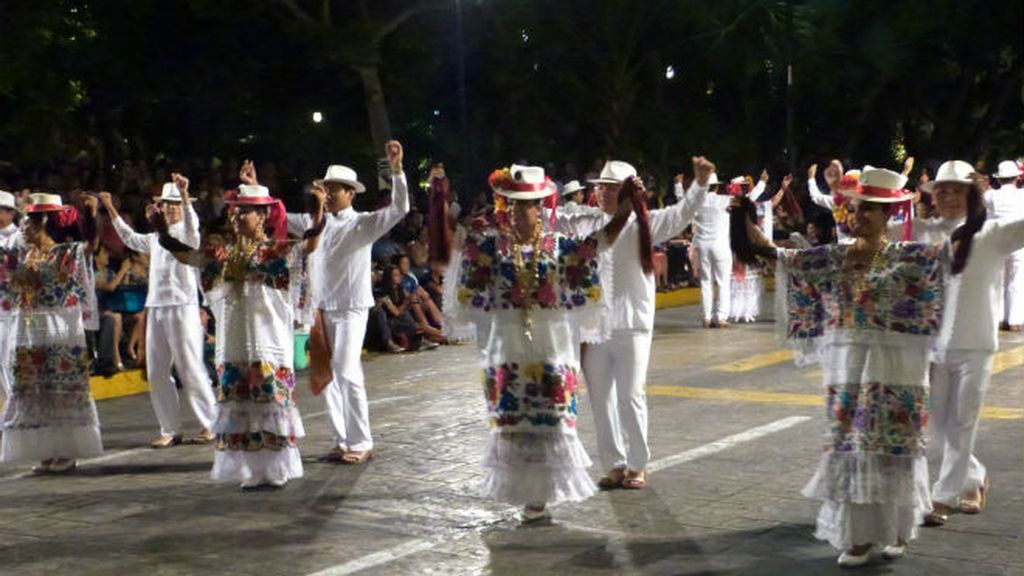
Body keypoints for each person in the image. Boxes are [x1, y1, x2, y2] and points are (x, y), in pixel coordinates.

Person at [732, 166, 949, 567]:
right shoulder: (836, 256)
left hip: (898, 368)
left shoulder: (913, 257)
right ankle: (859, 536)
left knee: (893, 450)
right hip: (849, 364)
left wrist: (959, 204)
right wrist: (740, 213)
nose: (860, 215)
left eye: (870, 210)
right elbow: (780, 256)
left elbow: (957, 257)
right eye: (858, 208)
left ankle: (898, 528)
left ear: (888, 216)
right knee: (852, 445)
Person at [444, 163, 634, 522]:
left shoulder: (559, 247)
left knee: (551, 423)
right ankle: (528, 496)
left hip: (552, 347)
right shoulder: (492, 248)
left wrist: (626, 208)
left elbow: (598, 245)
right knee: (515, 427)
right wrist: (442, 203)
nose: (519, 212)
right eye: (513, 205)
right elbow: (457, 255)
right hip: (508, 349)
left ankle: (541, 496)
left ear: (541, 207)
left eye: (527, 205)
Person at [157, 178, 326, 488]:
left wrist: (319, 210)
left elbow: (311, 243)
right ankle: (252, 467)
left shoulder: (277, 251)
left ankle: (276, 466)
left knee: (268, 401)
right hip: (234, 340)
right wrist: (162, 231)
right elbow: (187, 255)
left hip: (268, 340)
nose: (235, 218)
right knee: (242, 404)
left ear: (262, 216)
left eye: (243, 212)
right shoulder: (223, 255)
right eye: (234, 212)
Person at [579, 157, 714, 490]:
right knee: (600, 398)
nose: (603, 194)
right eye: (600, 188)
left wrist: (700, 182)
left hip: (633, 325)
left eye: (611, 189)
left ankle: (637, 463)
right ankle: (614, 464)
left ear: (627, 193)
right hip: (594, 326)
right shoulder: (586, 224)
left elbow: (683, 212)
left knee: (630, 395)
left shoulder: (645, 224)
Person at [903, 161, 1024, 527]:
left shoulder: (994, 232)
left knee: (963, 422)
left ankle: (943, 496)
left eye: (958, 190)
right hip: (934, 345)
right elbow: (867, 230)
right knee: (940, 427)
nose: (949, 196)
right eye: (942, 190)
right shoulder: (921, 230)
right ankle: (975, 478)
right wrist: (844, 194)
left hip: (977, 344)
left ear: (972, 195)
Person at [289, 141, 409, 465]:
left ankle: (361, 440)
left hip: (353, 308)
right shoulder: (315, 222)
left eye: (334, 189)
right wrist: (255, 190)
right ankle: (342, 440)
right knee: (327, 376)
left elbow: (399, 209)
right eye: (325, 188)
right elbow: (278, 218)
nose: (327, 194)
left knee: (346, 371)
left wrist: (397, 171)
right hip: (321, 308)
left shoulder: (362, 223)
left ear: (350, 193)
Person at [101, 175, 217, 448]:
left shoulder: (188, 235)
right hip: (156, 307)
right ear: (161, 208)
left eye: (175, 204)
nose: (171, 208)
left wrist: (185, 195)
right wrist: (110, 208)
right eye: (167, 205)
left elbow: (192, 223)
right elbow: (129, 237)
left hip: (183, 305)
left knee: (189, 367)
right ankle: (170, 428)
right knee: (156, 370)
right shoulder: (155, 238)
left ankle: (211, 424)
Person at [0, 193, 104, 473]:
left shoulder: (66, 252)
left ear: (44, 223)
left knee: (60, 386)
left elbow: (92, 244)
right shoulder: (24, 252)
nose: (24, 228)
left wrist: (91, 215)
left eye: (30, 223)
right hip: (30, 326)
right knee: (38, 388)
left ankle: (67, 450)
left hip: (60, 324)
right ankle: (47, 449)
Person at [985, 160, 1024, 331]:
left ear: (999, 180)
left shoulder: (991, 195)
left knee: (998, 281)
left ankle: (999, 318)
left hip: (997, 242)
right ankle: (1014, 320)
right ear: (1017, 178)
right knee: (1016, 281)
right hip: (1018, 241)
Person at [691, 170, 732, 327]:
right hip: (720, 244)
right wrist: (761, 184)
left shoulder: (697, 202)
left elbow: (682, 202)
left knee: (706, 282)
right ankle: (721, 317)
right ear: (716, 187)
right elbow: (748, 200)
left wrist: (678, 186)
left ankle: (707, 317)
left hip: (702, 245)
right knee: (723, 282)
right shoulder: (724, 200)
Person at [0, 189, 22, 399]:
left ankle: (14, 413)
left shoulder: (19, 238)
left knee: (5, 361)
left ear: (10, 213)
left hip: (10, 308)